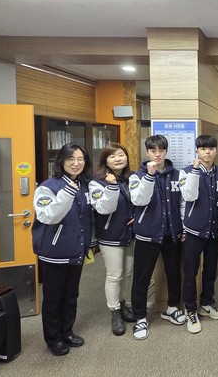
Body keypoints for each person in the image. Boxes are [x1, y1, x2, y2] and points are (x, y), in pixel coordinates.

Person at [31, 143, 92, 356]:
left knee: (71, 295)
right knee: (53, 298)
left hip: (76, 250)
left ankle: (67, 331)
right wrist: (67, 193)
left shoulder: (84, 185)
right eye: (71, 159)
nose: (76, 163)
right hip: (54, 252)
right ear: (61, 162)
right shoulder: (48, 187)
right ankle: (53, 338)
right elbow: (48, 216)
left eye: (80, 159)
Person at [128, 135, 185, 340]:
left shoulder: (178, 174)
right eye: (153, 150)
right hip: (147, 234)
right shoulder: (137, 176)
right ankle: (140, 317)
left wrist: (183, 227)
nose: (157, 154)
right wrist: (150, 176)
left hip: (172, 233)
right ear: (147, 152)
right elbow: (139, 200)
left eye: (161, 150)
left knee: (174, 272)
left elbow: (183, 202)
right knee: (142, 277)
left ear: (166, 151)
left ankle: (172, 307)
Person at [179, 134, 218, 334]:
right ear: (197, 151)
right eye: (203, 148)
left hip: (214, 231)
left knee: (210, 270)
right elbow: (188, 196)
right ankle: (190, 310)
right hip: (193, 231)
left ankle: (207, 303)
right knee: (190, 273)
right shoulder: (186, 172)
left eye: (211, 148)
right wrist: (194, 171)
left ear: (216, 150)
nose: (207, 152)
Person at [88, 143, 139, 336]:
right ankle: (114, 311)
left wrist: (136, 216)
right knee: (115, 274)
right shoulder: (97, 183)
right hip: (110, 236)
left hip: (130, 234)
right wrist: (111, 186)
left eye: (121, 155)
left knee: (128, 272)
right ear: (105, 161)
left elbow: (137, 202)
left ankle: (123, 304)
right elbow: (104, 209)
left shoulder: (131, 178)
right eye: (112, 156)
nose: (118, 159)